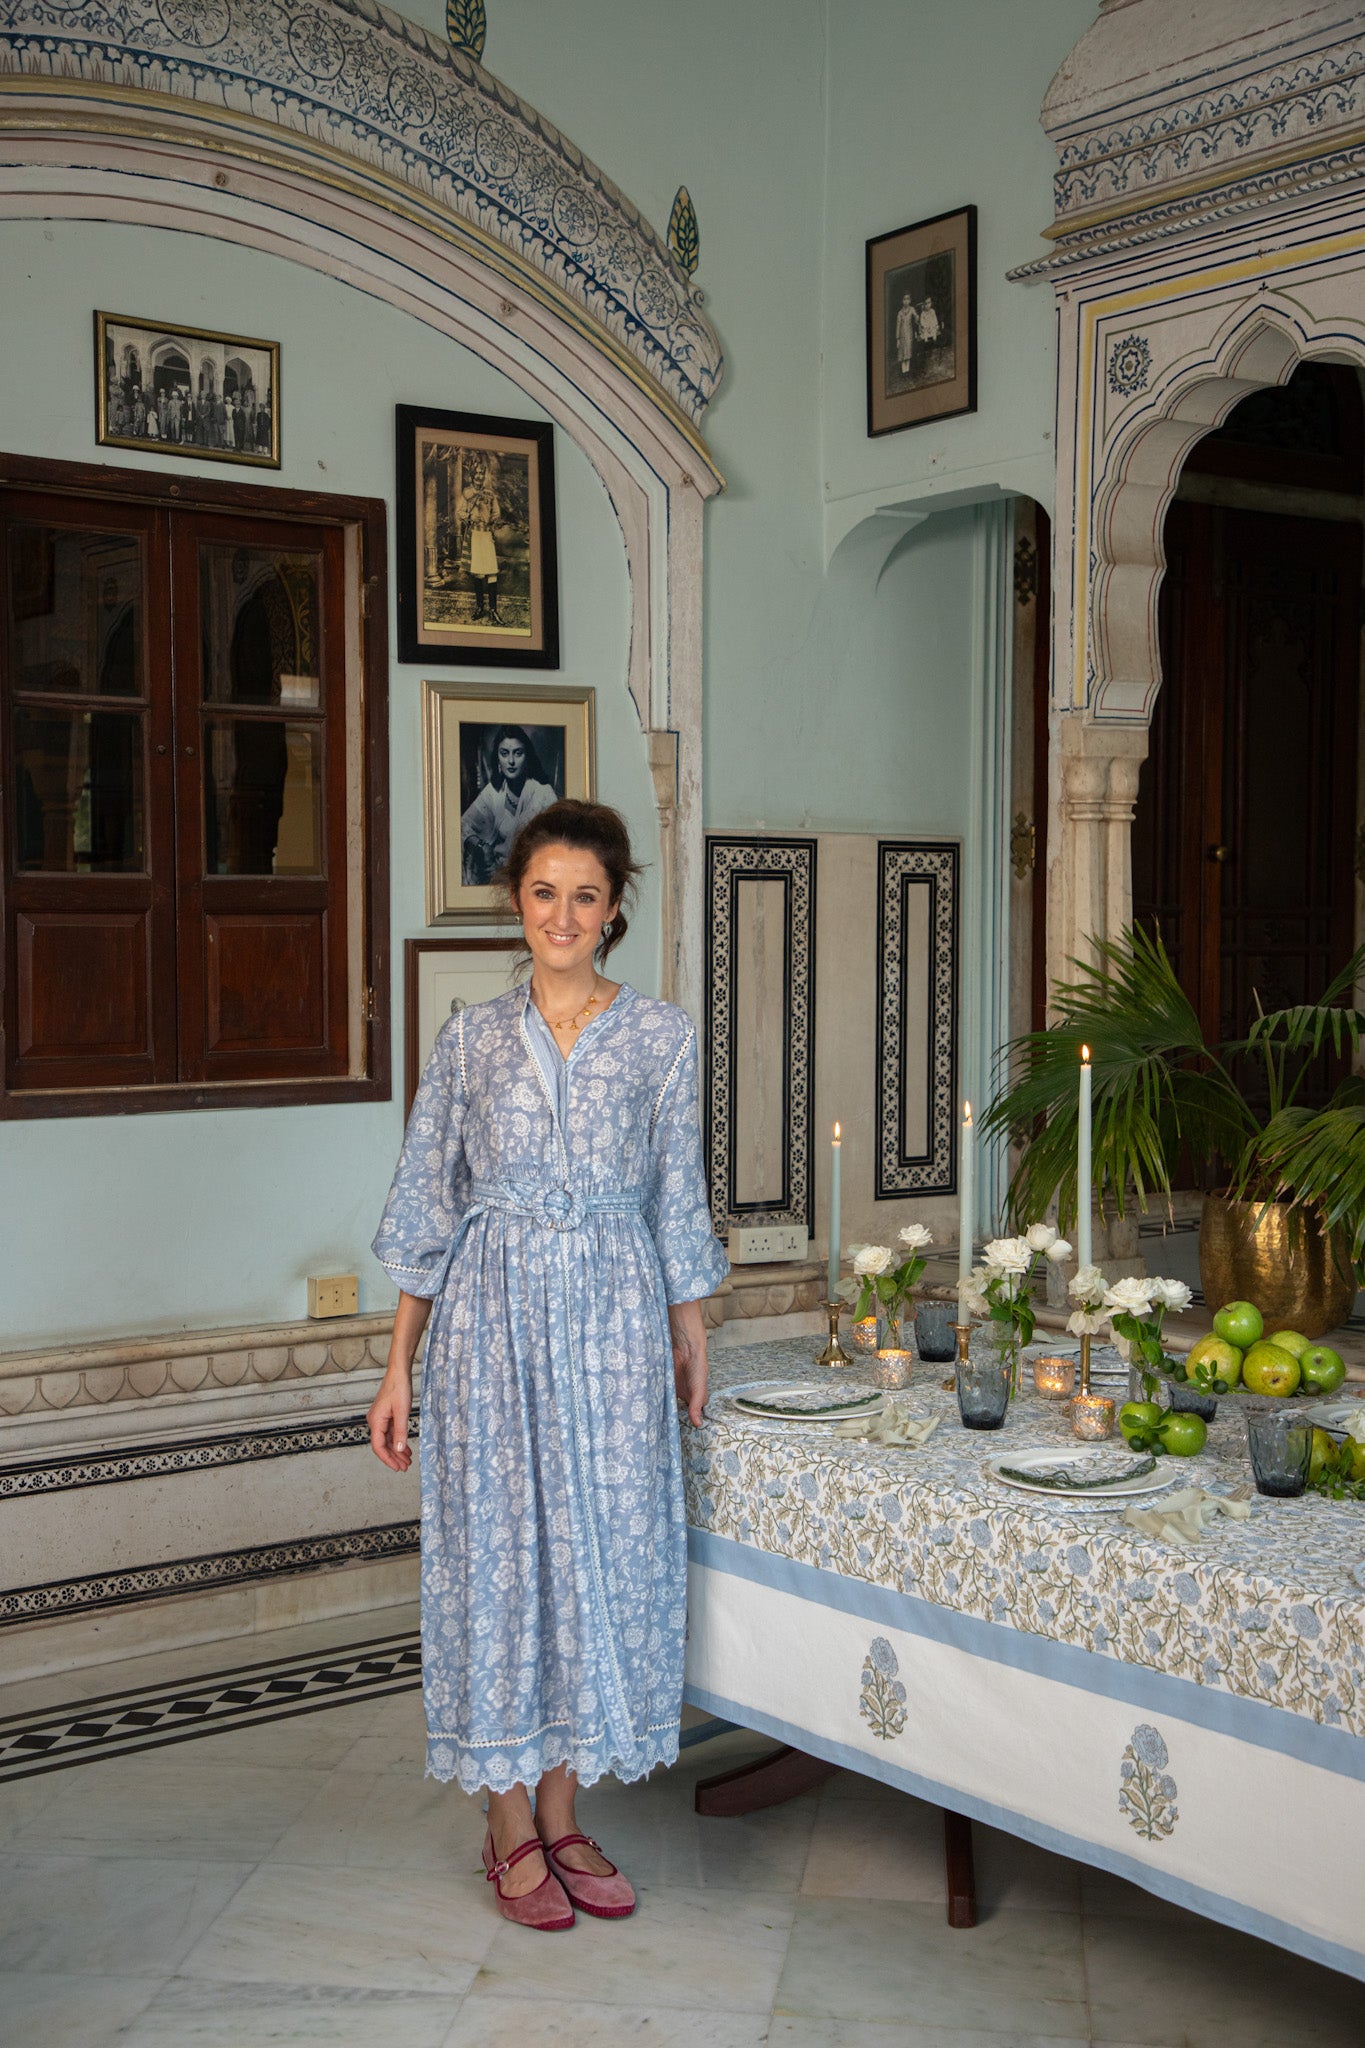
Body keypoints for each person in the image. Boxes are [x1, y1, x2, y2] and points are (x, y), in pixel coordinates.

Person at [368, 798, 727, 1931]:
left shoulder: (662, 1037)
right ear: (515, 904)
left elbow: (678, 1196)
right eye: (542, 892)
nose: (562, 913)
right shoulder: (469, 1038)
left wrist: (692, 1329)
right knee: (501, 1558)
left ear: (614, 906)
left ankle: (565, 1810)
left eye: (585, 894)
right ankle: (507, 1819)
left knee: (601, 1557)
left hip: (617, 1327)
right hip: (490, 1329)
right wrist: (396, 1368)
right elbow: (429, 1200)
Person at [459, 724, 556, 885]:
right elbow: (463, 825)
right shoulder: (494, 791)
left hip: (531, 877)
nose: (511, 761)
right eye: (504, 754)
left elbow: (555, 846)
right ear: (497, 758)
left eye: (518, 753)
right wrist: (482, 846)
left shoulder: (543, 794)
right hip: (494, 874)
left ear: (527, 757)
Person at [895, 288, 917, 379]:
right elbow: (898, 326)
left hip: (909, 334)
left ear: (910, 300)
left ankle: (907, 371)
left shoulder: (912, 309)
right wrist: (898, 339)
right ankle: (903, 371)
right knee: (902, 352)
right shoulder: (900, 313)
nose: (906, 301)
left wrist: (917, 317)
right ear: (902, 301)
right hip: (902, 335)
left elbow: (916, 317)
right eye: (904, 299)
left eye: (908, 299)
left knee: (908, 351)